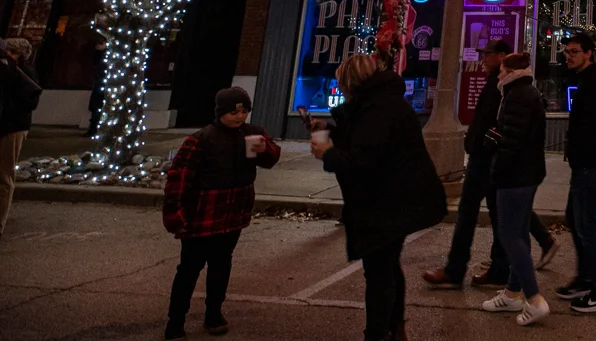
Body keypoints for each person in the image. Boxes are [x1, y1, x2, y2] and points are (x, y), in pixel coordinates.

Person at [311, 55, 447, 341]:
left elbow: (364, 158)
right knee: (387, 266)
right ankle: (395, 329)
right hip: (396, 199)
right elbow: (362, 139)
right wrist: (329, 134)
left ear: (350, 82)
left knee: (379, 273)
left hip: (386, 202)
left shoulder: (377, 109)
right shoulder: (382, 103)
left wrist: (329, 153)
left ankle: (378, 333)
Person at [423, 41, 558, 290]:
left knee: (491, 215)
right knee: (494, 214)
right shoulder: (500, 85)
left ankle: (497, 275)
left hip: (491, 158)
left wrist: (492, 150)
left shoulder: (510, 89)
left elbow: (509, 129)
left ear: (503, 57)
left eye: (488, 55)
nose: (483, 59)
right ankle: (499, 265)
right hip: (485, 156)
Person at [162, 87, 280, 340]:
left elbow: (269, 160)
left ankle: (213, 313)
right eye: (233, 112)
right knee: (189, 268)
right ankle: (175, 321)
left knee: (221, 263)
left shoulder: (250, 134)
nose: (239, 117)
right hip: (202, 213)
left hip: (234, 211)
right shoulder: (201, 140)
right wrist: (174, 213)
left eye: (244, 111)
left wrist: (264, 148)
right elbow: (179, 178)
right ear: (220, 112)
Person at [482, 51, 550, 324]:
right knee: (519, 233)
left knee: (511, 236)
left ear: (510, 71)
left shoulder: (518, 95)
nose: (497, 75)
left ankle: (534, 299)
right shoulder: (522, 93)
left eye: (501, 70)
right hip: (526, 173)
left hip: (516, 176)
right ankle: (512, 293)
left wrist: (496, 168)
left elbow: (512, 141)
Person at [557, 32, 596, 313]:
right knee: (574, 218)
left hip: (590, 166)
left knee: (587, 226)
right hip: (583, 164)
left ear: (588, 54)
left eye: (574, 52)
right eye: (566, 52)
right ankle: (585, 279)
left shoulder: (594, 83)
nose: (568, 56)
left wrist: (584, 157)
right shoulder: (585, 80)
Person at [0, 39, 42, 238]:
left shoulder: (23, 73)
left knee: (5, 175)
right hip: (9, 124)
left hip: (13, 127)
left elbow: (29, 101)